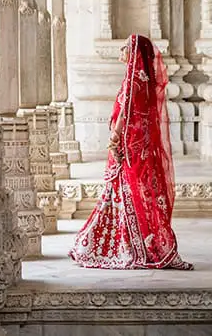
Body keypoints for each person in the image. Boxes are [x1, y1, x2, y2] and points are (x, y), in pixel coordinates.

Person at [68, 33, 193, 270]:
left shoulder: (132, 82)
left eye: (124, 48)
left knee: (124, 194)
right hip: (138, 147)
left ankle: (122, 246)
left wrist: (115, 138)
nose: (121, 53)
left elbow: (126, 114)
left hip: (128, 147)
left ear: (134, 53)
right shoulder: (144, 83)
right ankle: (139, 243)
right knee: (136, 194)